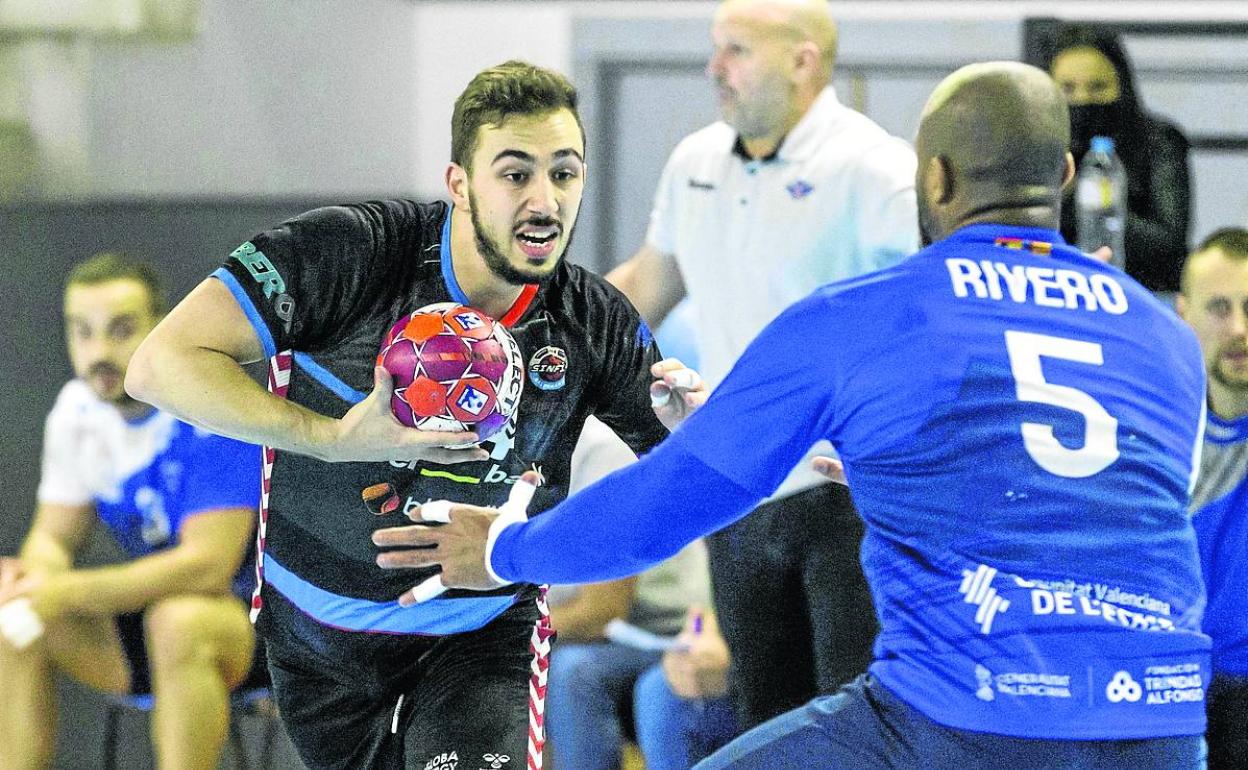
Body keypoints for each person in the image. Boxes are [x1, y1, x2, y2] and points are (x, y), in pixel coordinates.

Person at [380, 61, 1212, 769]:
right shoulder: (1163, 336)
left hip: (960, 725)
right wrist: (883, 462)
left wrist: (503, 548)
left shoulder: (864, 315)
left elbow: (673, 498)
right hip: (1166, 729)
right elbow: (1096, 500)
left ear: (936, 180)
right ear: (1064, 175)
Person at [124, 61, 705, 770]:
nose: (546, 200)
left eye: (565, 173)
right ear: (459, 184)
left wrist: (692, 441)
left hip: (482, 635)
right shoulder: (354, 253)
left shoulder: (592, 323)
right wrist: (334, 439)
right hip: (317, 638)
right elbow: (159, 365)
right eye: (516, 173)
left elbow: (693, 492)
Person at [607, 0, 916, 730]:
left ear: (803, 62)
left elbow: (928, 316)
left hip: (846, 496)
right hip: (739, 489)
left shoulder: (874, 168)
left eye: (737, 50)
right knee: (767, 725)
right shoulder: (695, 164)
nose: (716, 68)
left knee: (855, 721)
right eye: (717, 49)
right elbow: (645, 289)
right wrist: (530, 336)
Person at [0, 253, 261, 770]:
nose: (99, 352)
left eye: (120, 331)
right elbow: (52, 539)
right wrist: (33, 582)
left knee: (178, 622)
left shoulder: (209, 403)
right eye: (82, 332)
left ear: (161, 329)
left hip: (255, 633)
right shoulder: (77, 411)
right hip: (144, 631)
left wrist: (65, 590)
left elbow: (207, 567)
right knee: (11, 615)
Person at [546, 416, 736, 770]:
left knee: (572, 671)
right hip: (617, 637)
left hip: (674, 632)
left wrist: (487, 634)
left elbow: (600, 612)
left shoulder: (602, 450)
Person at [1046, 23, 1191, 293]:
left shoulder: (1158, 141)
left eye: (1098, 87)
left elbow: (1170, 244)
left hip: (1144, 293)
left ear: (1122, 86)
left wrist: (1089, 200)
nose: (1083, 100)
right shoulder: (1037, 145)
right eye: (1067, 89)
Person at [1175, 228, 1248, 769]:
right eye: (1220, 308)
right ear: (1183, 315)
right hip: (1174, 691)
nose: (1239, 329)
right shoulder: (1151, 434)